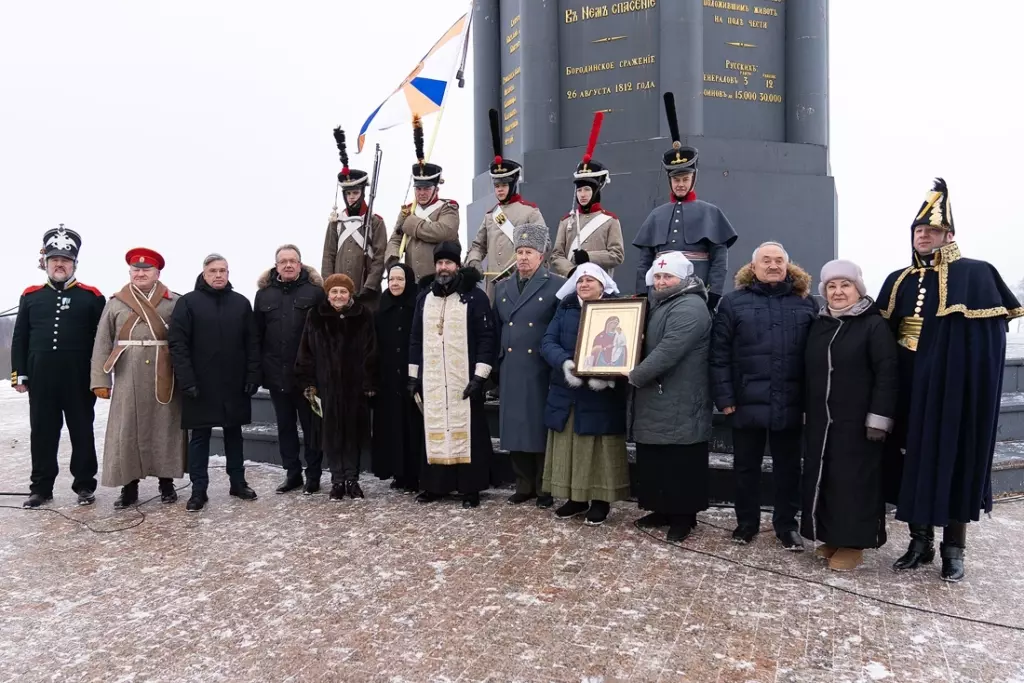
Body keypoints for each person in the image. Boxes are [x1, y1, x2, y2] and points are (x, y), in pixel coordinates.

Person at [877, 178, 1022, 582]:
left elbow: (989, 342)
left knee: (954, 461)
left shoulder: (976, 275)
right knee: (910, 462)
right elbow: (881, 337)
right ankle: (919, 542)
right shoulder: (898, 279)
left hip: (953, 390)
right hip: (908, 389)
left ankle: (953, 550)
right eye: (919, 231)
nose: (924, 236)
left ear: (949, 235)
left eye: (932, 231)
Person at [709, 241, 817, 548]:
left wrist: (811, 403)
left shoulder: (806, 303)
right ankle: (746, 523)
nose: (772, 265)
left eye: (778, 260)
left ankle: (786, 526)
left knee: (788, 469)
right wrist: (726, 399)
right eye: (766, 260)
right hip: (745, 403)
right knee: (745, 467)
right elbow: (719, 355)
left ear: (788, 265)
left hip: (791, 403)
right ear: (753, 267)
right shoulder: (733, 303)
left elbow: (816, 357)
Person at [801, 260, 899, 571]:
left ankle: (855, 543)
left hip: (858, 422)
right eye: (832, 286)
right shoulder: (820, 324)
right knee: (827, 478)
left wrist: (879, 418)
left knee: (855, 482)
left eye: (845, 285)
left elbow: (888, 373)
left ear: (858, 289)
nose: (838, 291)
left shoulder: (873, 325)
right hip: (822, 421)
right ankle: (831, 536)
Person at [11, 225, 105, 508]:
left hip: (78, 377)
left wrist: (99, 376)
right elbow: (20, 338)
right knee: (42, 432)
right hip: (41, 377)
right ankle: (41, 487)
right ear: (46, 264)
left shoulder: (91, 296)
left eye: (65, 261)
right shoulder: (31, 296)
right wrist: (19, 374)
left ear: (74, 263)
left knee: (82, 431)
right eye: (55, 261)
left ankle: (85, 485)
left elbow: (101, 341)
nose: (60, 265)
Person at [90, 247, 186, 508]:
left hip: (164, 373)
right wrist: (100, 379)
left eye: (146, 269)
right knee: (127, 430)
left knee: (165, 427)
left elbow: (184, 341)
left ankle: (166, 483)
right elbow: (102, 342)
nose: (140, 273)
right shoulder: (116, 303)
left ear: (157, 273)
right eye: (136, 269)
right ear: (130, 272)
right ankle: (128, 487)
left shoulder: (174, 302)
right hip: (126, 375)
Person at [628, 252, 713, 542]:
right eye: (658, 276)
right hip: (657, 395)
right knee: (657, 459)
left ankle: (683, 518)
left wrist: (633, 375)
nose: (662, 282)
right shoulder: (658, 304)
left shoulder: (690, 306)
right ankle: (661, 509)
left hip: (680, 396)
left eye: (668, 276)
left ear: (683, 278)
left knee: (681, 461)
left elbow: (669, 350)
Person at [540, 256, 630, 526]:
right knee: (570, 446)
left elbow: (625, 348)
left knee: (598, 448)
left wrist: (609, 373)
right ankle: (575, 498)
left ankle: (600, 501)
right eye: (579, 279)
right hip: (568, 390)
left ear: (602, 284)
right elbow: (548, 341)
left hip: (601, 393)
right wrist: (566, 363)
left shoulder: (619, 310)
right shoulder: (564, 308)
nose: (584, 284)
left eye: (590, 279)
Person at [168, 253, 261, 512]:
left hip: (234, 381)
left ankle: (238, 482)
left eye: (223, 270)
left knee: (234, 434)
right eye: (213, 271)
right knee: (200, 437)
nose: (218, 275)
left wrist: (253, 375)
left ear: (228, 274)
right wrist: (187, 380)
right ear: (204, 273)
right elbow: (178, 344)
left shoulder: (241, 303)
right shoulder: (188, 303)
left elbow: (252, 343)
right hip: (200, 383)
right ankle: (199, 490)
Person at [408, 242, 496, 508]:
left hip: (464, 379)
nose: (443, 268)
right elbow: (415, 337)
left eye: (448, 263)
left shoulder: (474, 297)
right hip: (434, 378)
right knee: (434, 429)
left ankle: (470, 488)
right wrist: (414, 376)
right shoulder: (425, 297)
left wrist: (480, 376)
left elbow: (487, 337)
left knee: (468, 432)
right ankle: (436, 485)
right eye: (439, 263)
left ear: (457, 266)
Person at [633, 92, 736, 309]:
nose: (680, 184)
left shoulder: (710, 212)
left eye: (685, 179)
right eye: (676, 179)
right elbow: (645, 260)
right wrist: (642, 292)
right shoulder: (657, 214)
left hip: (696, 288)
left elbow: (719, 259)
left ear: (693, 179)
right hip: (659, 292)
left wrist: (714, 292)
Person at [493, 223, 566, 506]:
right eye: (519, 251)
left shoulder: (556, 285)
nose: (523, 257)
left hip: (540, 368)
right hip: (512, 367)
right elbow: (497, 327)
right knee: (515, 428)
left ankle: (544, 487)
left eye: (529, 252)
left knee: (538, 429)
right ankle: (523, 484)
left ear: (542, 255)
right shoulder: (501, 287)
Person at [294, 273, 377, 500]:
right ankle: (337, 481)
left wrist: (369, 381)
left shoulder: (363, 315)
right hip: (326, 387)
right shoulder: (316, 316)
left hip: (354, 388)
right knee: (331, 436)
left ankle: (352, 479)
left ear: (350, 294)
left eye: (343, 291)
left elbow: (372, 351)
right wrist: (308, 383)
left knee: (352, 435)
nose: (338, 296)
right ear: (327, 294)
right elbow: (306, 352)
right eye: (334, 291)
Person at [253, 244, 326, 495]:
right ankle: (292, 473)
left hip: (307, 376)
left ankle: (313, 475)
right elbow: (257, 335)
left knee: (311, 427)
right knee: (285, 427)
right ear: (276, 266)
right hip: (276, 374)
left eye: (292, 261)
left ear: (300, 264)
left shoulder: (316, 293)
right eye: (283, 261)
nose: (288, 265)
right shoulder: (264, 295)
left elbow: (324, 335)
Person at [466, 109, 546, 300]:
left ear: (512, 184)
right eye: (497, 186)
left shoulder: (530, 212)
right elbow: (478, 245)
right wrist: (474, 261)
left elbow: (544, 245)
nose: (499, 190)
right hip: (493, 287)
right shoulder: (491, 215)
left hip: (522, 284)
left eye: (503, 185)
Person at [384, 116, 460, 281]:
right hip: (412, 279)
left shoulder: (448, 208)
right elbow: (395, 239)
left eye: (426, 188)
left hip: (440, 278)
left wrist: (411, 224)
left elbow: (445, 232)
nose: (422, 193)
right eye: (418, 189)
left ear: (436, 189)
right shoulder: (408, 210)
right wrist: (393, 259)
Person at [549, 113, 624, 278]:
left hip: (600, 283)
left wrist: (589, 257)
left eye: (587, 190)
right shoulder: (566, 221)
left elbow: (617, 255)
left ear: (596, 190)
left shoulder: (610, 220)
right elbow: (556, 255)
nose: (582, 194)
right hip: (571, 282)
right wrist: (572, 271)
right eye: (579, 190)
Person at [371, 263, 423, 493]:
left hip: (413, 377)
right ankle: (398, 473)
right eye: (391, 279)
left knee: (412, 427)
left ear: (409, 281)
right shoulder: (382, 307)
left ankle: (414, 473)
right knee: (393, 427)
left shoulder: (419, 305)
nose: (395, 283)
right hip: (388, 378)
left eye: (400, 279)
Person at [321, 127, 387, 308]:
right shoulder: (336, 222)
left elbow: (380, 256)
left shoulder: (375, 222)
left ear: (363, 192)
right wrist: (329, 285)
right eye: (348, 193)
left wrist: (370, 285)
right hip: (338, 294)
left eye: (355, 192)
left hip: (366, 294)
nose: (351, 197)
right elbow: (328, 255)